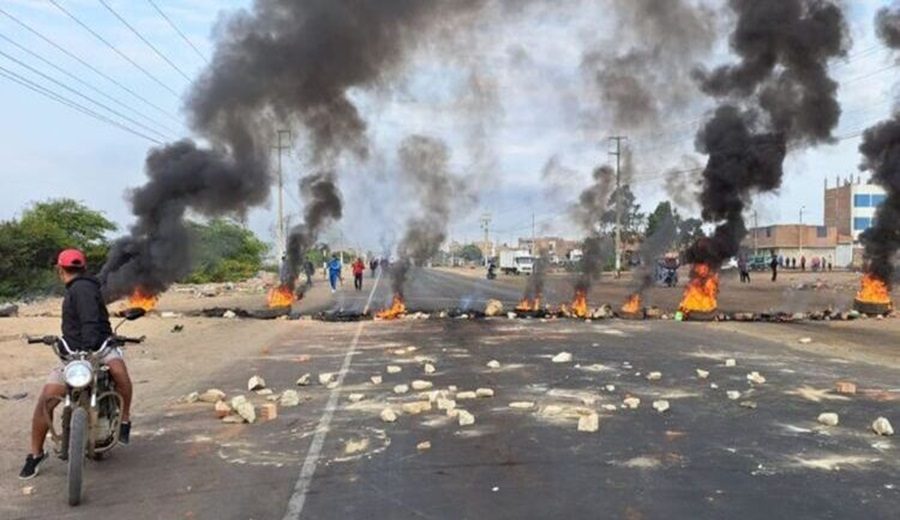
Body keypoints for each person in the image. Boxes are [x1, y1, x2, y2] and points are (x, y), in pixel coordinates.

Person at [20, 249, 133, 480]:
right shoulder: (86, 287)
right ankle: (125, 419)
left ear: (59, 270)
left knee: (47, 400)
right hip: (75, 356)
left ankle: (124, 419)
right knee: (50, 396)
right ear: (82, 268)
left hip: (99, 349)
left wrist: (93, 345)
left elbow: (91, 322)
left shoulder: (83, 288)